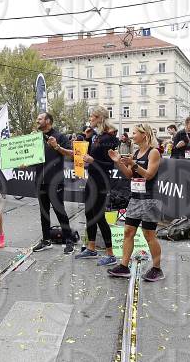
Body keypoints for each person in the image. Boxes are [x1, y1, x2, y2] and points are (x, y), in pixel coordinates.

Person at [107, 123, 164, 281]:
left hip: (150, 199)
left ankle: (157, 268)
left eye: (134, 133)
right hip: (135, 198)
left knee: (149, 235)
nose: (131, 136)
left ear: (144, 134)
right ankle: (124, 266)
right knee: (128, 231)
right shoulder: (137, 152)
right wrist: (119, 162)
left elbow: (149, 175)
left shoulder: (154, 153)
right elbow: (129, 175)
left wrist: (134, 164)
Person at [75, 106, 120, 266]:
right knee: (89, 212)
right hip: (92, 178)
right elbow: (90, 154)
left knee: (99, 216)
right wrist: (87, 139)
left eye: (93, 117)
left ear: (100, 118)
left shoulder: (109, 138)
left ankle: (110, 253)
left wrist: (93, 161)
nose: (90, 120)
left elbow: (110, 164)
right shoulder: (97, 136)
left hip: (101, 180)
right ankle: (91, 247)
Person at [31, 112, 76, 255]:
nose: (37, 121)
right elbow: (32, 158)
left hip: (55, 181)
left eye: (40, 118)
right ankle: (46, 240)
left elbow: (72, 154)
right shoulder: (36, 137)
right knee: (43, 212)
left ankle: (69, 240)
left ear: (48, 121)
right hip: (40, 181)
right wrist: (23, 164)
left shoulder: (60, 136)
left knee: (59, 211)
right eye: (37, 119)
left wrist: (56, 146)